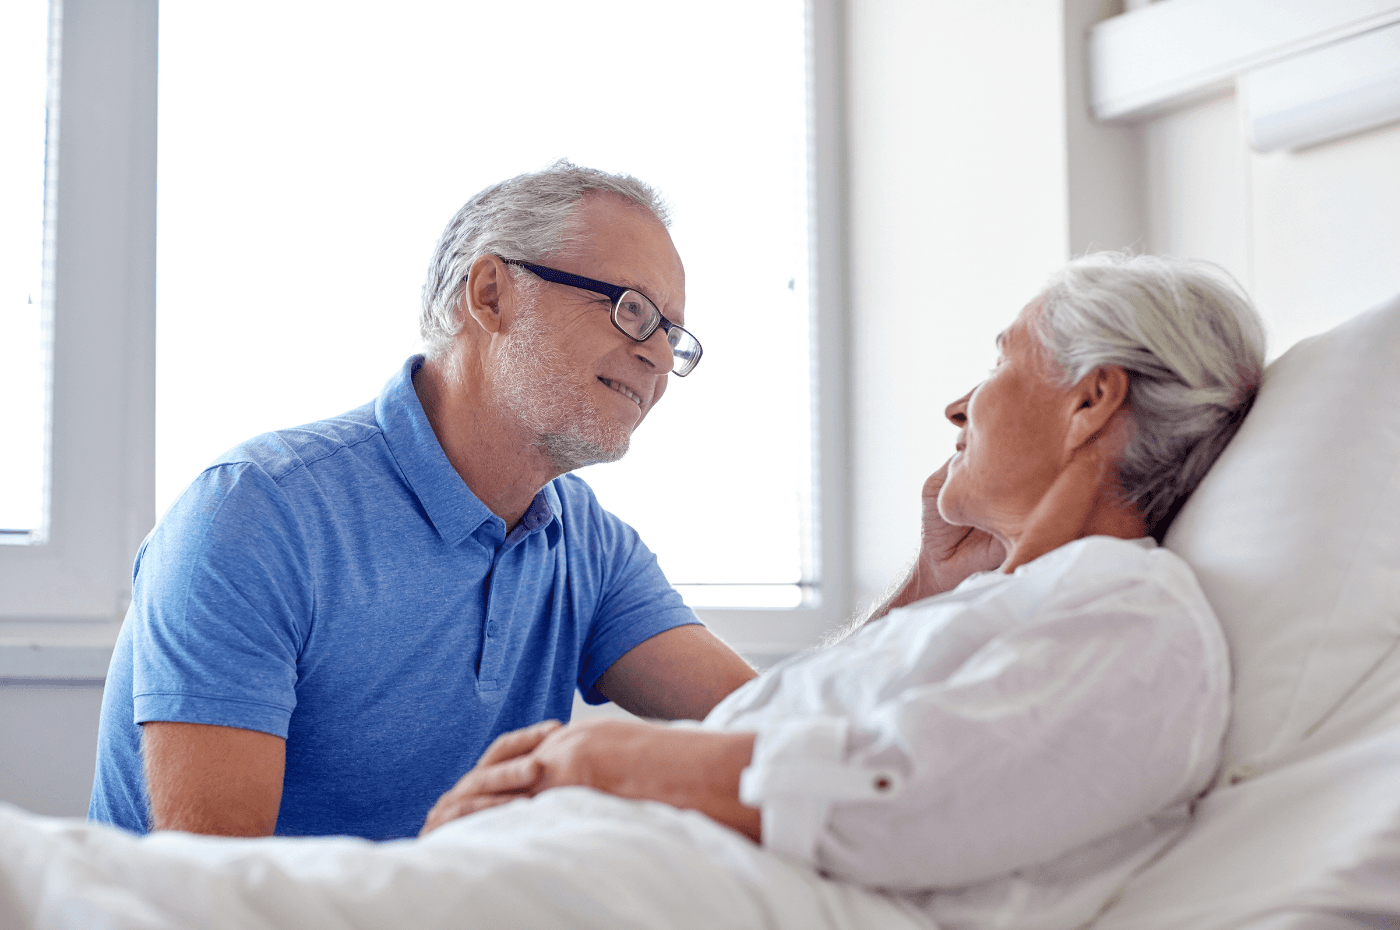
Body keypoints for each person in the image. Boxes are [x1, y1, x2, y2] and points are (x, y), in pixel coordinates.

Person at [422, 252, 1267, 930]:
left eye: (1000, 358)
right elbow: (798, 722)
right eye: (628, 308)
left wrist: (608, 760)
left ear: (1091, 400)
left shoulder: (1133, 617)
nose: (958, 405)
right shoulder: (1005, 610)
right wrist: (930, 584)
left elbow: (911, 796)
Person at [89, 161, 757, 840]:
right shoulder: (255, 515)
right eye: (632, 309)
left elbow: (770, 724)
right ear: (491, 295)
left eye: (670, 336)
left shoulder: (585, 543)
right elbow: (215, 889)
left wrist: (873, 648)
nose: (653, 357)